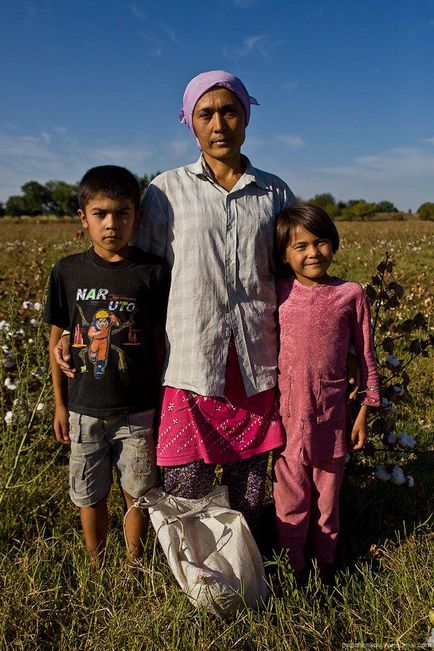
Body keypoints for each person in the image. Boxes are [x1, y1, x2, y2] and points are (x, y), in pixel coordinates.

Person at [134, 70, 296, 529]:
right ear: (190, 122)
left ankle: (247, 568)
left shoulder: (275, 191)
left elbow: (292, 273)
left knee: (249, 486)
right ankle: (199, 575)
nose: (219, 124)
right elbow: (141, 276)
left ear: (246, 118)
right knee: (186, 484)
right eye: (206, 114)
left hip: (255, 360)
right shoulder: (166, 190)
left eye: (230, 111)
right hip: (190, 358)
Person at [43, 165, 167, 566]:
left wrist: (162, 399)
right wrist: (61, 406)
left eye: (122, 213)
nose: (111, 224)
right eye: (100, 213)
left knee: (138, 491)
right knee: (89, 493)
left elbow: (161, 341)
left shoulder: (153, 272)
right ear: (83, 217)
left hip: (138, 410)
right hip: (83, 410)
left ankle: (135, 562)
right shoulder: (67, 272)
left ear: (137, 216)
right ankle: (96, 563)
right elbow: (56, 341)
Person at [272, 202, 381, 581]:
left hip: (333, 417)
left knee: (327, 501)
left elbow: (366, 353)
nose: (312, 253)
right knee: (290, 502)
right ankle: (294, 569)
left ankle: (326, 566)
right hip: (286, 419)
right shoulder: (277, 294)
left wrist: (365, 411)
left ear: (333, 244)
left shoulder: (350, 295)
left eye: (320, 242)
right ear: (284, 254)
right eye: (299, 246)